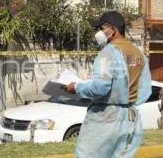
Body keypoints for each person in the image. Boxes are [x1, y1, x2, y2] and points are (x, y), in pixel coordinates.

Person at [64, 11, 152, 158]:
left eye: (101, 28)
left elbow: (100, 87)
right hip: (129, 118)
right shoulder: (138, 54)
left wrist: (77, 87)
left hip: (105, 118)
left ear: (113, 29)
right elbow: (145, 89)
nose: (98, 32)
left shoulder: (108, 53)